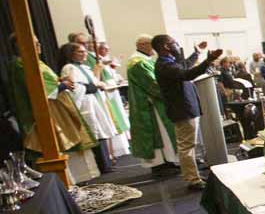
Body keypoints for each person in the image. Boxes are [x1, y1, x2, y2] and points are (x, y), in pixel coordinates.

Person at [6, 35, 98, 182]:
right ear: (21, 45)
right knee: (55, 146)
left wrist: (59, 81)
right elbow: (36, 88)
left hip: (56, 107)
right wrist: (60, 86)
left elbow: (48, 80)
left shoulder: (36, 61)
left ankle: (76, 180)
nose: (39, 45)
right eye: (35, 43)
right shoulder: (20, 64)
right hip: (44, 112)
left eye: (38, 42)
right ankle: (65, 181)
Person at [151, 35, 223, 191]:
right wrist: (207, 61)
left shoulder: (168, 62)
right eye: (174, 42)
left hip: (184, 108)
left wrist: (196, 53)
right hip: (182, 109)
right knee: (186, 147)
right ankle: (192, 180)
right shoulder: (165, 65)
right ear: (166, 46)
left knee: (188, 145)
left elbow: (183, 67)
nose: (177, 45)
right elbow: (187, 74)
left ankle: (193, 176)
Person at [60, 41, 120, 173]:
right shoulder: (69, 68)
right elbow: (74, 87)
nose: (85, 54)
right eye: (80, 52)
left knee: (100, 130)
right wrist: (93, 86)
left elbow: (93, 81)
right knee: (93, 131)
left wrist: (99, 84)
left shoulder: (84, 67)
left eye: (85, 51)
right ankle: (101, 165)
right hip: (84, 103)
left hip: (93, 101)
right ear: (71, 54)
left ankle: (106, 162)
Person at [126, 35, 178, 174]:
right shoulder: (138, 62)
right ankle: (159, 165)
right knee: (159, 134)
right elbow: (152, 83)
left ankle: (168, 161)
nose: (154, 48)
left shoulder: (144, 60)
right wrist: (172, 91)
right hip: (149, 105)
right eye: (151, 44)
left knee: (164, 134)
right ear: (142, 45)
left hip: (153, 103)